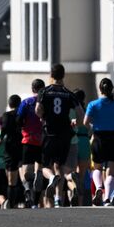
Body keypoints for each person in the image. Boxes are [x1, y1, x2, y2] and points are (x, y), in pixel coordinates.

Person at [37, 65, 80, 207]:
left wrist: (42, 116)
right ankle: (58, 197)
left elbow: (38, 110)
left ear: (51, 75)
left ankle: (51, 178)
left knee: (45, 166)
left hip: (49, 132)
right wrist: (76, 123)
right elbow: (80, 112)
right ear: (63, 75)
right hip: (65, 134)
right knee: (60, 165)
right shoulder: (68, 93)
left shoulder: (44, 92)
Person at [88, 78, 114, 205]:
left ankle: (99, 187)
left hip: (98, 137)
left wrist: (96, 123)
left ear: (100, 89)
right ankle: (107, 198)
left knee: (97, 167)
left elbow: (85, 122)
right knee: (111, 171)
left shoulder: (93, 104)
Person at [16, 78, 46, 207]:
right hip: (41, 139)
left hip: (28, 138)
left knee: (25, 168)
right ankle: (38, 174)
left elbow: (19, 119)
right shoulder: (45, 103)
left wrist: (23, 126)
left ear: (32, 89)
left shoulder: (26, 102)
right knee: (39, 165)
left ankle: (28, 186)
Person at [0, 94, 23, 208]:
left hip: (10, 148)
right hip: (22, 146)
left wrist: (0, 138)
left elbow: (4, 128)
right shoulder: (22, 115)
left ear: (9, 104)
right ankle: (24, 198)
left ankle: (11, 203)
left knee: (11, 179)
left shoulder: (6, 115)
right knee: (22, 174)